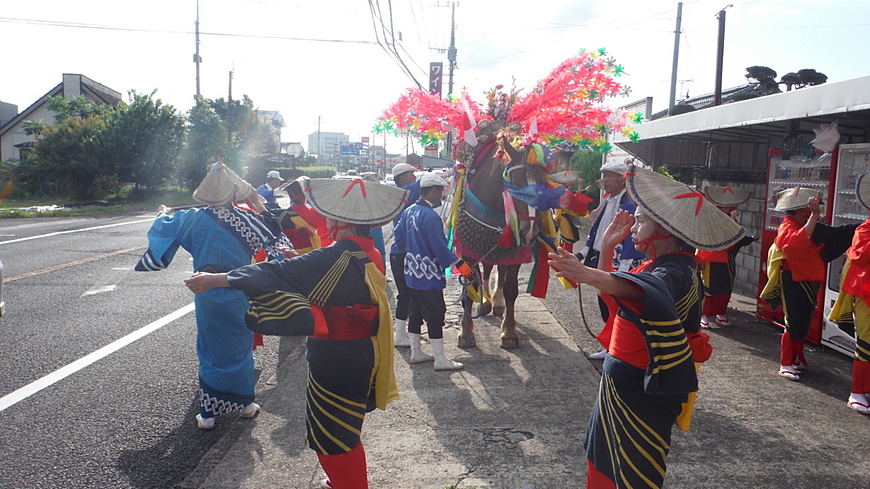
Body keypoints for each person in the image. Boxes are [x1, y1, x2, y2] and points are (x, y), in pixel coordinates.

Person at [183, 177, 409, 489]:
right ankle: (345, 483)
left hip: (336, 359)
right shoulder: (366, 251)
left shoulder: (336, 255)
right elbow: (319, 271)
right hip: (364, 352)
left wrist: (217, 279)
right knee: (346, 429)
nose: (327, 219)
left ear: (341, 219)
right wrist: (299, 262)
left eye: (330, 215)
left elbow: (274, 273)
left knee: (332, 435)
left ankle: (349, 485)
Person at [548, 165, 744, 489]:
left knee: (634, 475)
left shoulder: (677, 272)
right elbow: (619, 301)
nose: (633, 225)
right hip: (621, 384)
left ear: (665, 229)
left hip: (642, 390)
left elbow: (643, 291)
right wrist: (608, 248)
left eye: (641, 220)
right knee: (603, 462)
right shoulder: (656, 265)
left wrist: (586, 273)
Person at [135, 162, 293, 430]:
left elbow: (164, 224)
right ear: (234, 194)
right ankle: (245, 405)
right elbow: (274, 230)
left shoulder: (192, 218)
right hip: (238, 286)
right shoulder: (248, 218)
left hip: (205, 288)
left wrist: (162, 212)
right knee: (240, 345)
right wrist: (255, 200)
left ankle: (208, 413)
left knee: (210, 347)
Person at [761, 187, 856, 381]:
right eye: (807, 209)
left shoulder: (802, 224)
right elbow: (796, 245)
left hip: (805, 278)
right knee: (793, 321)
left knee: (802, 321)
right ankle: (785, 362)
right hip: (793, 279)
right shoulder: (788, 226)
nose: (810, 212)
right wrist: (814, 216)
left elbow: (834, 235)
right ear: (799, 210)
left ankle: (793, 358)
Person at [393, 172, 472, 370]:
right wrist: (459, 264)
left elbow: (399, 239)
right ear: (435, 191)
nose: (442, 197)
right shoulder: (431, 217)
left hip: (411, 272)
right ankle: (440, 359)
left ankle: (416, 351)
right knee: (435, 314)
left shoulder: (408, 211)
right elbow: (439, 248)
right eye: (441, 192)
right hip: (428, 275)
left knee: (415, 311)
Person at [577, 160, 646, 359]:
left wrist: (624, 266)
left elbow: (632, 236)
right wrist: (582, 253)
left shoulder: (630, 203)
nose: (605, 180)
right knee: (605, 304)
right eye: (604, 175)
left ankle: (618, 348)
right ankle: (611, 346)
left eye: (610, 176)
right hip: (605, 259)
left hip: (621, 263)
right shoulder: (608, 200)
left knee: (619, 306)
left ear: (622, 179)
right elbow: (596, 233)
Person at [830, 174, 870, 414]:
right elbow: (861, 255)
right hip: (865, 293)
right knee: (866, 343)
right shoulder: (864, 228)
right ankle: (857, 391)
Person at [697, 185, 756, 328]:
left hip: (727, 257)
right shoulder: (711, 215)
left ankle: (720, 313)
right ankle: (703, 314)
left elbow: (736, 237)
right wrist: (733, 221)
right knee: (708, 287)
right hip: (711, 256)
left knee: (725, 287)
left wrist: (748, 238)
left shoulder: (728, 216)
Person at [389, 163, 422, 347]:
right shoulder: (404, 192)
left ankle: (403, 332)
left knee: (406, 294)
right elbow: (424, 184)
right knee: (406, 295)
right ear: (402, 178)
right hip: (402, 254)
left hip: (400, 253)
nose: (414, 177)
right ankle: (400, 334)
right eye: (412, 174)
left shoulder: (404, 193)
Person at [270, 176, 330, 255]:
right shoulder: (317, 214)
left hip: (288, 254)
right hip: (311, 255)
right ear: (306, 195)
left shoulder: (280, 215)